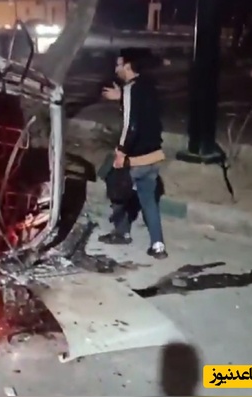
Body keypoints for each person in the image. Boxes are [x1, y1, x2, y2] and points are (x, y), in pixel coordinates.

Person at [99, 48, 168, 259]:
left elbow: (131, 125)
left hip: (135, 157)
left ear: (128, 66)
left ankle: (122, 232)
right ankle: (158, 245)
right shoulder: (148, 86)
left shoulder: (130, 89)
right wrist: (121, 97)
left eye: (119, 64)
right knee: (149, 200)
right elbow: (143, 109)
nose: (116, 69)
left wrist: (121, 152)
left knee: (116, 186)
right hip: (154, 154)